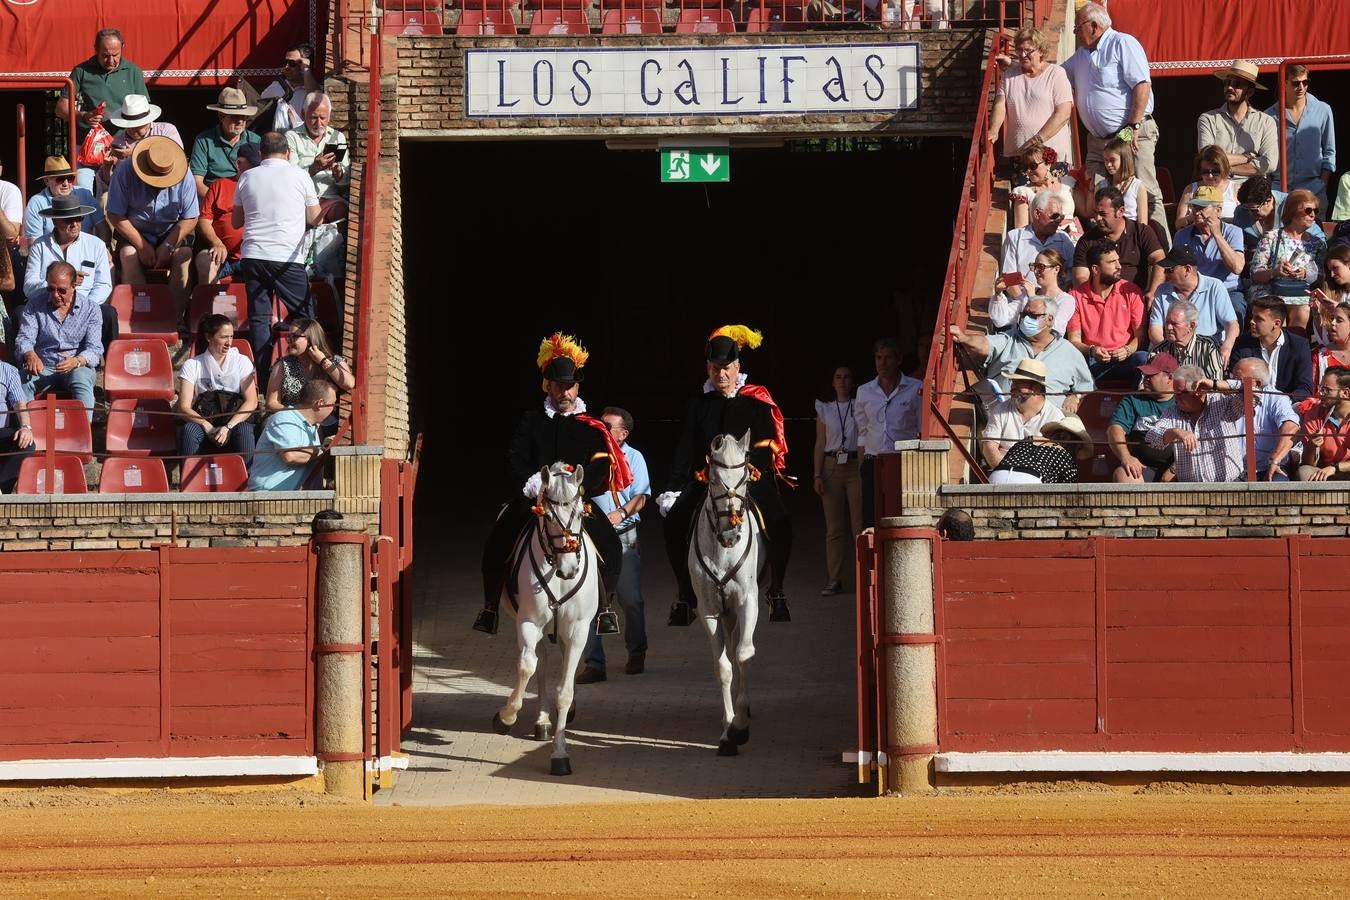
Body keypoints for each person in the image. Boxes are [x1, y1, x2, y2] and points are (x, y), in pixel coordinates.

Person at [473, 334, 627, 636]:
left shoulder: (591, 427)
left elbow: (599, 466)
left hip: (573, 501)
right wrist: (530, 482)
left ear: (577, 387)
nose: (564, 392)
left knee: (610, 542)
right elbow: (515, 457)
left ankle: (605, 607)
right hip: (535, 497)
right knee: (498, 538)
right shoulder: (531, 420)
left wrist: (579, 489)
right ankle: (490, 605)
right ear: (548, 386)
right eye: (558, 386)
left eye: (569, 386)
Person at [660, 326, 793, 626]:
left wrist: (751, 467)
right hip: (706, 478)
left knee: (781, 521)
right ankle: (684, 595)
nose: (720, 375)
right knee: (673, 522)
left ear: (737, 368)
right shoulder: (697, 403)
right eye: (714, 369)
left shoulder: (755, 400)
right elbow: (685, 447)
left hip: (749, 476)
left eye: (726, 369)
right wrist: (673, 488)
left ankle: (777, 590)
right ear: (707, 368)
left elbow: (765, 441)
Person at [1062, 2, 1169, 245]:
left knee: (1148, 194)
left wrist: (1131, 129)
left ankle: (1163, 254)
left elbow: (1142, 85)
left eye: (1078, 28)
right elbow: (1056, 75)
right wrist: (1022, 68)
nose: (1076, 33)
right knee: (1099, 198)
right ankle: (1106, 252)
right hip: (1099, 142)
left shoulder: (1123, 43)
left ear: (1094, 26)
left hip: (1131, 134)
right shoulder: (1080, 56)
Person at [234, 131, 322, 376]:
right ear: (289, 153)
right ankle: (309, 372)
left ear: (261, 154)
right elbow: (314, 218)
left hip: (253, 255)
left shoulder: (247, 177)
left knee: (259, 318)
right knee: (305, 317)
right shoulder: (301, 176)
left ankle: (264, 378)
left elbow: (236, 221)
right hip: (286, 257)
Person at [575, 407, 651, 685]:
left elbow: (642, 496)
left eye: (608, 426)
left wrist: (620, 513)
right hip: (591, 537)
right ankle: (594, 664)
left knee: (630, 598)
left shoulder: (634, 457)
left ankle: (637, 651)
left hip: (622, 535)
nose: (601, 429)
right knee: (589, 601)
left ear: (623, 433)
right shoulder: (590, 451)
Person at [105, 135, 198, 316]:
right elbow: (115, 213)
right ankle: (141, 317)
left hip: (172, 230)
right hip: (134, 229)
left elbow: (191, 217)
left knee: (184, 255)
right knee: (128, 255)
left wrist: (168, 245)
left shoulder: (185, 174)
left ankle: (174, 318)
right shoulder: (124, 171)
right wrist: (141, 245)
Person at [950, 295, 1093, 412]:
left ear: (1050, 319)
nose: (1025, 319)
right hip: (1002, 418)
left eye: (1032, 315)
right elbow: (985, 344)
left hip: (1047, 426)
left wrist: (1075, 396)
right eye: (1023, 314)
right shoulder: (1009, 339)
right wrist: (964, 338)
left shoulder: (1069, 352)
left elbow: (1086, 385)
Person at [56, 29, 149, 192]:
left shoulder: (134, 71)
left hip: (121, 144)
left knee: (117, 192)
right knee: (83, 192)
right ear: (95, 49)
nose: (111, 60)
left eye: (115, 54)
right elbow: (60, 108)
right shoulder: (81, 71)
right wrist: (83, 116)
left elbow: (144, 111)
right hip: (86, 146)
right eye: (105, 55)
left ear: (123, 47)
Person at [23, 195, 115, 353]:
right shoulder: (39, 246)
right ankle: (27, 361)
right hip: (47, 304)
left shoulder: (96, 245)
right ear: (54, 221)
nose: (74, 224)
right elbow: (28, 286)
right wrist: (56, 287)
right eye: (68, 220)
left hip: (87, 304)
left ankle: (112, 362)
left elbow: (104, 284)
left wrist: (85, 307)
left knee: (109, 313)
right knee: (21, 311)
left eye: (78, 218)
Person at [14, 262, 101, 420]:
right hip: (44, 365)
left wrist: (77, 361)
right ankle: (30, 430)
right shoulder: (35, 304)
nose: (55, 295)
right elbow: (25, 337)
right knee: (21, 380)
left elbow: (94, 349)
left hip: (76, 366)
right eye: (50, 289)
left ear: (74, 286)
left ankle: (82, 431)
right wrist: (30, 354)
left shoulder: (91, 309)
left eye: (61, 290)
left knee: (81, 379)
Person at [854, 337, 922, 528]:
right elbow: (862, 430)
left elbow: (921, 428)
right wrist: (862, 464)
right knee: (871, 518)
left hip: (903, 460)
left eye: (888, 358)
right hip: (873, 460)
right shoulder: (864, 391)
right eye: (878, 358)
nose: (882, 363)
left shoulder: (916, 387)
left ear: (898, 359)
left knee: (900, 514)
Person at [176, 313, 259, 461]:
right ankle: (189, 480)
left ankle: (248, 479)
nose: (229, 342)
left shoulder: (242, 361)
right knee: (189, 430)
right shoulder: (193, 364)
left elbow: (251, 402)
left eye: (231, 337)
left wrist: (229, 427)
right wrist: (206, 425)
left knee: (245, 429)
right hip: (205, 422)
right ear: (209, 337)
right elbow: (183, 407)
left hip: (234, 422)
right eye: (223, 337)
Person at [987, 26, 1074, 166]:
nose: (1022, 54)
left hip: (1049, 154)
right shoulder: (1010, 74)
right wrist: (994, 129)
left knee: (1052, 188)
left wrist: (1036, 140)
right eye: (1019, 49)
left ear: (1041, 51)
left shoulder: (1056, 74)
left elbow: (1063, 113)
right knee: (1022, 189)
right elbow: (1000, 104)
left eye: (1028, 50)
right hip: (1019, 152)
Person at [1146, 365, 1247, 483]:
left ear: (1200, 391)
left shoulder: (1222, 403)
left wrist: (1214, 384)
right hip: (1190, 491)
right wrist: (1175, 432)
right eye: (1175, 392)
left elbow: (1253, 392)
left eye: (1182, 393)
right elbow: (1151, 438)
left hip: (1230, 486)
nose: (1176, 397)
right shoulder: (1172, 412)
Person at [1249, 187, 1326, 337]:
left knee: (1303, 309)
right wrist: (1275, 271)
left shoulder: (1317, 243)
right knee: (1275, 313)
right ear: (1293, 211)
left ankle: (1294, 352)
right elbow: (1255, 273)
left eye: (1315, 211)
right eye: (1308, 210)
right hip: (1270, 290)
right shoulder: (1271, 237)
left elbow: (1322, 275)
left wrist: (1305, 273)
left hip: (1299, 292)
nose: (1313, 215)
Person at [813, 365, 862, 597]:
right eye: (838, 377)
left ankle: (863, 578)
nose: (842, 381)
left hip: (854, 465)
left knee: (859, 528)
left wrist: (864, 467)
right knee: (833, 529)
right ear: (832, 383)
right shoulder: (825, 409)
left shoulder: (859, 406)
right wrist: (817, 474)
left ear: (853, 382)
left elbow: (864, 438)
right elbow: (820, 444)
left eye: (847, 377)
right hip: (832, 466)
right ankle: (835, 578)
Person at [1067, 241, 1146, 383]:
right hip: (1093, 361)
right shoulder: (1076, 296)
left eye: (1118, 260)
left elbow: (1140, 335)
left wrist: (1127, 350)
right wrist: (1092, 350)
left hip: (1125, 360)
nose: (1119, 266)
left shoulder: (1131, 291)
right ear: (1096, 269)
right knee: (1072, 360)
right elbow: (1074, 340)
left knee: (1143, 358)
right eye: (1112, 262)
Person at [1146, 244, 1239, 364]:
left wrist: (1226, 347)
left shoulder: (1214, 286)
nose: (1165, 274)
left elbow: (1232, 324)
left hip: (1207, 352)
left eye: (1170, 270)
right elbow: (1155, 329)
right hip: (1170, 351)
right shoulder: (1162, 290)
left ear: (1187, 269)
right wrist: (1168, 352)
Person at [1196, 60, 1278, 192]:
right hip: (1217, 187)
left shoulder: (1266, 121)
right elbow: (1208, 157)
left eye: (1237, 84)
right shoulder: (1208, 118)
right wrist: (1248, 157)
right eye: (1227, 83)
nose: (1229, 87)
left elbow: (1269, 164)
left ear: (1250, 92)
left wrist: (1225, 169)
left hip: (1252, 191)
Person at [1073, 186, 1165, 300]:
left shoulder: (1141, 231)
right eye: (1095, 213)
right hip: (1100, 301)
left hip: (1136, 299)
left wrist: (1152, 292)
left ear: (1120, 212)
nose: (1097, 218)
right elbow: (1080, 277)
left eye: (1103, 214)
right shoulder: (1087, 240)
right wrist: (1096, 299)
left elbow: (1160, 259)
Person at [1265, 64, 1336, 211]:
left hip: (1313, 188)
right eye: (1296, 83)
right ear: (1284, 83)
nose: (1301, 87)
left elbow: (1329, 151)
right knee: (1280, 233)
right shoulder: (1269, 116)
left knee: (1315, 233)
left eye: (1305, 82)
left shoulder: (1323, 110)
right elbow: (1265, 155)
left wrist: (1322, 183)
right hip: (1279, 190)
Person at [1172, 188, 1246, 322]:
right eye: (1194, 207)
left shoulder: (1234, 232)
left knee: (1237, 309)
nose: (1196, 212)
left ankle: (1233, 343)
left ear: (1218, 210)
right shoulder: (1182, 235)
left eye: (1203, 207)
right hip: (1194, 290)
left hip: (1228, 290)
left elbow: (1237, 267)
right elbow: (1177, 271)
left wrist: (1217, 235)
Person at [247, 379, 334, 491]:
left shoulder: (311, 426)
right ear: (320, 404)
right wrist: (324, 451)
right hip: (270, 497)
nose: (334, 409)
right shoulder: (284, 418)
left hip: (292, 498)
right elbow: (291, 455)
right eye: (333, 404)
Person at [980, 358, 1064, 470]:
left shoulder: (1055, 417)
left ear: (1036, 388)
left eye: (1020, 383)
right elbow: (989, 447)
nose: (1013, 386)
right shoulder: (1000, 409)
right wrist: (1004, 472)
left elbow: (1055, 458)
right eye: (1013, 381)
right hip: (1002, 474)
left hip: (1037, 479)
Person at [194, 142, 258, 287]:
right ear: (239, 164)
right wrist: (216, 242)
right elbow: (204, 220)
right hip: (223, 256)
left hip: (253, 255)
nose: (258, 170)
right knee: (205, 261)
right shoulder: (220, 185)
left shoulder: (266, 187)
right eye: (253, 165)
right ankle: (212, 307)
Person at [1108, 351, 1177, 483]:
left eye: (1151, 375)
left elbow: (1198, 440)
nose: (1146, 378)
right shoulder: (1134, 399)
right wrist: (1126, 457)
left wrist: (1174, 469)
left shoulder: (1183, 400)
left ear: (1170, 378)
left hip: (1179, 467)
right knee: (1125, 475)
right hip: (1143, 467)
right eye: (1145, 374)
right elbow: (1114, 429)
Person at [1230, 295, 1314, 402]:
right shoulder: (1242, 344)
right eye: (1252, 316)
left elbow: (1305, 388)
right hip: (1250, 405)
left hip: (1288, 406)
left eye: (1259, 319)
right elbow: (1234, 383)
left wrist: (1282, 402)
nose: (1252, 322)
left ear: (1277, 323)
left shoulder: (1299, 345)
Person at [264, 317, 354, 412]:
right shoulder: (283, 365)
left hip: (326, 421)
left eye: (294, 336)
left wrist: (323, 361)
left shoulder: (333, 360)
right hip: (292, 421)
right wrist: (299, 413)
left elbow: (349, 384)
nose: (289, 340)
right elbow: (271, 403)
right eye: (288, 336)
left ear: (311, 339)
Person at [98, 94, 183, 194]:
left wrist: (134, 153)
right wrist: (107, 168)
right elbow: (112, 185)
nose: (133, 130)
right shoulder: (117, 142)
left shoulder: (166, 131)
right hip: (132, 194)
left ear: (148, 121)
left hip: (167, 189)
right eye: (129, 126)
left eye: (137, 126)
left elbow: (176, 157)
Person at [190, 88, 263, 201]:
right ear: (221, 116)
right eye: (234, 116)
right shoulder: (203, 140)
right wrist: (219, 202)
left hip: (248, 199)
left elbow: (263, 177)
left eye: (243, 116)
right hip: (214, 201)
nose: (240, 121)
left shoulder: (255, 140)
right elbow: (196, 182)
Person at [285, 92, 350, 216]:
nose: (319, 123)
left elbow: (346, 183)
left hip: (330, 197)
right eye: (314, 117)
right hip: (301, 200)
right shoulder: (292, 137)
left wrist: (338, 174)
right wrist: (314, 168)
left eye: (323, 118)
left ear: (329, 117)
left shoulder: (337, 137)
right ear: (304, 114)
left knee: (342, 212)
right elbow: (291, 178)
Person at [1000, 191, 1077, 291]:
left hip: (1056, 302)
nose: (1059, 221)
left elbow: (1071, 276)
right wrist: (1030, 302)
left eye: (1061, 217)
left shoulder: (1064, 238)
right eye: (1054, 216)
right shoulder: (1015, 237)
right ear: (1037, 213)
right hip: (1022, 302)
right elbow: (1009, 281)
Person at [989, 248, 1076, 335]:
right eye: (1034, 266)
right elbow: (1000, 321)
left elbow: (1054, 330)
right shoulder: (1029, 292)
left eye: (1041, 267)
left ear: (1056, 269)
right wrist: (998, 293)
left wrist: (1033, 299)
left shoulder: (1066, 300)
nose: (1035, 271)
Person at [987, 415, 1091, 485]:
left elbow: (1008, 457)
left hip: (997, 475)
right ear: (1076, 445)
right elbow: (1068, 491)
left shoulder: (1030, 438)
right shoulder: (1065, 456)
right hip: (1030, 480)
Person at [24, 156, 103, 240]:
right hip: (52, 252)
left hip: (86, 251)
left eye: (70, 178)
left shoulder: (85, 194)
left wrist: (102, 248)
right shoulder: (36, 203)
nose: (66, 183)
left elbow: (102, 226)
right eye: (60, 179)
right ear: (46, 181)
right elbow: (34, 242)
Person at [1148, 299, 1226, 382]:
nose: (1168, 327)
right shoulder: (1158, 351)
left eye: (1175, 324)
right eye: (1167, 323)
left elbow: (1216, 386)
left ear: (1191, 326)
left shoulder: (1208, 347)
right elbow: (1145, 385)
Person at [1011, 146, 1079, 237]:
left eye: (1033, 166)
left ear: (1048, 164)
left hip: (1072, 236)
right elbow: (1021, 230)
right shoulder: (1023, 192)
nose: (1028, 171)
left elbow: (1086, 212)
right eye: (1025, 167)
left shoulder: (1068, 183)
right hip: (1043, 241)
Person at [1298, 366, 1350, 481]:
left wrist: (1335, 468)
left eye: (1327, 390)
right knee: (1304, 472)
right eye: (1321, 388)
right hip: (1324, 472)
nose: (1321, 393)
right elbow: (1307, 463)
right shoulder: (1315, 414)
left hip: (1343, 470)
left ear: (1345, 393)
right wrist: (1311, 447)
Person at [260, 42, 321, 133]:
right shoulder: (276, 86)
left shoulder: (310, 89)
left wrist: (306, 69)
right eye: (285, 62)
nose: (286, 67)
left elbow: (316, 98)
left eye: (292, 63)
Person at [1086, 136, 1148, 224]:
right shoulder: (1101, 186)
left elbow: (1143, 222)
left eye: (1112, 160)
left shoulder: (1138, 186)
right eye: (1105, 160)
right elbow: (1092, 214)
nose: (1108, 164)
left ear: (1124, 159)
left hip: (1130, 233)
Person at [1175, 146, 1240, 228]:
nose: (1210, 176)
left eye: (1215, 171)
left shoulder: (1236, 189)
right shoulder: (1190, 189)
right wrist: (1194, 217)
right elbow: (1178, 224)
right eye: (1205, 171)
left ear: (1224, 169)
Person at [0, 358, 35, 492]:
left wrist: (26, 427)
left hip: (1, 432)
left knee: (27, 443)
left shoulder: (8, 370)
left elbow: (19, 403)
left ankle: (2, 489)